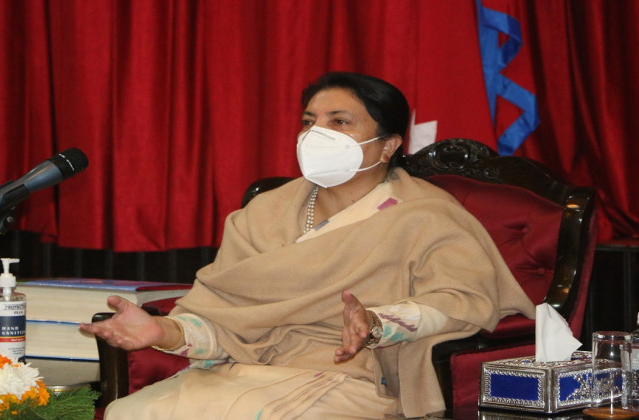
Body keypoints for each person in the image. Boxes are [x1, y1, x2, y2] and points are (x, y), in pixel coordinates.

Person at [79, 72, 535, 419]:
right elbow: (226, 325)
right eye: (309, 121)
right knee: (129, 413)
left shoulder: (425, 216)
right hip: (240, 371)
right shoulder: (264, 212)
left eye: (339, 121)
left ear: (388, 145)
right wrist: (163, 332)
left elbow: (462, 301)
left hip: (351, 376)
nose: (318, 133)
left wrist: (377, 323)